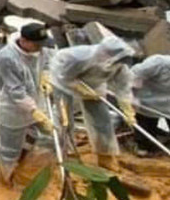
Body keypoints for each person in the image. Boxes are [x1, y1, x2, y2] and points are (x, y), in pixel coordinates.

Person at [46, 35, 135, 172]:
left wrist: (127, 109)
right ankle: (66, 152)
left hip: (94, 84)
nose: (121, 64)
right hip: (64, 81)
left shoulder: (120, 65)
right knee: (65, 117)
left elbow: (123, 88)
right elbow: (65, 76)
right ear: (106, 53)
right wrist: (80, 89)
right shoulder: (78, 57)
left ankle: (105, 156)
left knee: (102, 119)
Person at [0, 22, 51, 185]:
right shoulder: (7, 58)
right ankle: (5, 176)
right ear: (23, 40)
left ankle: (30, 174)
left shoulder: (39, 49)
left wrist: (46, 75)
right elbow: (15, 91)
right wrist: (34, 110)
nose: (40, 48)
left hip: (35, 99)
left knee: (49, 135)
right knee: (10, 147)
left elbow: (48, 60)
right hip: (10, 107)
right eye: (36, 45)